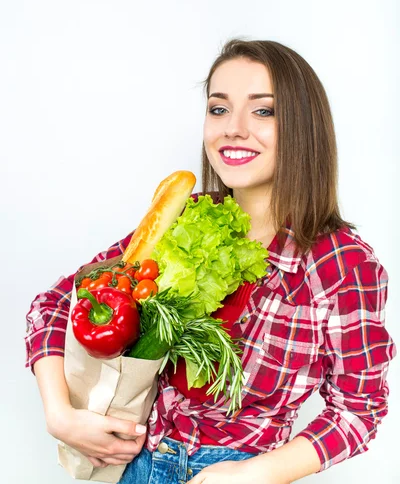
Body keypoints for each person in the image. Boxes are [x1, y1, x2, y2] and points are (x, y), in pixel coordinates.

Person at [25, 39, 396, 484]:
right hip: (133, 466)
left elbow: (359, 409)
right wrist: (60, 414)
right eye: (218, 109)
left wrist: (256, 474)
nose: (233, 129)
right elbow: (55, 304)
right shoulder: (184, 218)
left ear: (304, 126)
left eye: (264, 111)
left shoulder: (342, 264)